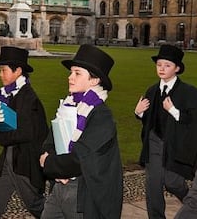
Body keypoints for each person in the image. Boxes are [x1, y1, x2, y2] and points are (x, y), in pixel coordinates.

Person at [39, 44, 123, 219]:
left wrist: (51, 164)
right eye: (71, 72)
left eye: (77, 73)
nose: (70, 77)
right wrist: (55, 166)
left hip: (83, 193)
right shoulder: (68, 105)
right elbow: (50, 139)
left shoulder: (101, 115)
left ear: (94, 80)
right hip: (59, 187)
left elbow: (81, 158)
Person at [0, 46, 49, 219]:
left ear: (18, 70)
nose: (0, 74)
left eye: (4, 70)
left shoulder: (29, 97)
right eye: (0, 70)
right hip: (7, 160)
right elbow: (3, 126)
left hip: (25, 162)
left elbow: (26, 134)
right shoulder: (5, 95)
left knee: (37, 206)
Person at [134, 44, 197, 219]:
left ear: (177, 68)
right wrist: (138, 112)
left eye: (167, 65)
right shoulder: (152, 90)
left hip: (175, 145)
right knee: (153, 188)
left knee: (172, 181)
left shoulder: (189, 92)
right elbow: (148, 120)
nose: (161, 68)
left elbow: (193, 121)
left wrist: (174, 111)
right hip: (154, 144)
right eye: (159, 64)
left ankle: (193, 204)